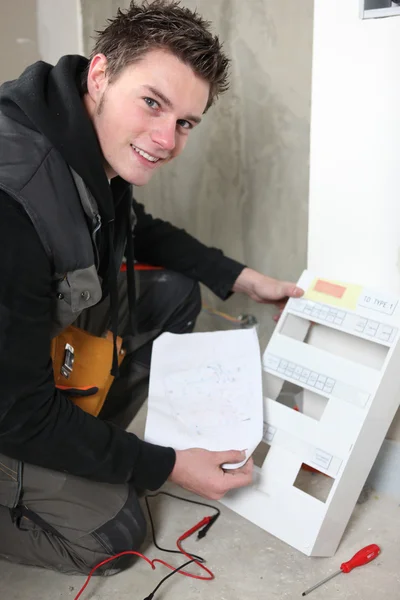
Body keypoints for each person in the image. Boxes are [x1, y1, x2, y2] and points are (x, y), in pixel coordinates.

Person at [0, 0, 303, 576]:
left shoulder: (81, 144)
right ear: (99, 74)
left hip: (18, 362)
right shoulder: (12, 198)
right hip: (8, 406)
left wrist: (241, 278)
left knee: (174, 293)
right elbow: (15, 411)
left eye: (185, 122)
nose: (166, 140)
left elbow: (139, 228)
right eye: (152, 104)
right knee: (116, 536)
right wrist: (165, 467)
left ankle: (81, 444)